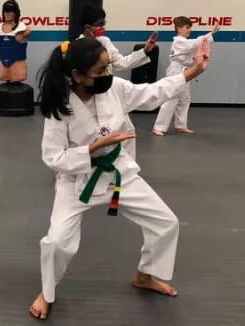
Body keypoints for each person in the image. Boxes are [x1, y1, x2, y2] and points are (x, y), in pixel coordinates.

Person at [29, 37, 210, 320]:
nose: (106, 75)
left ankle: (146, 275)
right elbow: (53, 158)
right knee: (55, 242)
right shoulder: (60, 107)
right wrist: (92, 148)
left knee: (166, 223)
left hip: (117, 172)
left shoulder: (114, 88)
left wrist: (192, 72)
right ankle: (47, 292)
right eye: (99, 71)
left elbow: (151, 94)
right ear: (77, 75)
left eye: (107, 67)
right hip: (78, 181)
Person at [75, 5, 159, 159]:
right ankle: (80, 166)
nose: (103, 28)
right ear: (88, 27)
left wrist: (145, 51)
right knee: (92, 134)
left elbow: (122, 63)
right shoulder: (77, 46)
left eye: (103, 23)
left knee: (127, 131)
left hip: (110, 92)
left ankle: (127, 170)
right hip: (89, 95)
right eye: (99, 24)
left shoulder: (105, 41)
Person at [152, 17, 220, 136]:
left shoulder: (184, 41)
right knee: (172, 98)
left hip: (185, 70)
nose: (190, 30)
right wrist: (211, 33)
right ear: (179, 28)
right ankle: (159, 127)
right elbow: (193, 44)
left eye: (190, 27)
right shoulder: (178, 41)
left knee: (185, 98)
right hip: (176, 71)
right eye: (187, 27)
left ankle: (181, 125)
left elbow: (196, 46)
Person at [0, 0, 31, 82]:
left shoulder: (24, 29)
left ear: (16, 13)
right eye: (6, 11)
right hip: (3, 67)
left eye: (11, 11)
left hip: (18, 68)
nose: (8, 14)